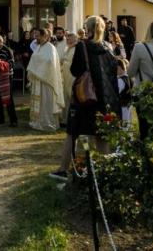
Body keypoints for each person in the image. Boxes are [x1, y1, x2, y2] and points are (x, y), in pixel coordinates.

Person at [51, 16, 120, 181]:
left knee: (72, 133)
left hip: (84, 97)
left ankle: (63, 169)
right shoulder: (108, 47)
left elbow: (75, 70)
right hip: (103, 98)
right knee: (101, 135)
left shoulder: (82, 45)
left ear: (87, 28)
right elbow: (112, 72)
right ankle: (104, 172)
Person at [27, 28, 65, 132]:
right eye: (35, 35)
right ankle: (38, 122)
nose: (36, 37)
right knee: (39, 102)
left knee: (46, 102)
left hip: (47, 80)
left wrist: (38, 66)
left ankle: (48, 123)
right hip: (38, 79)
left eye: (38, 35)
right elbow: (34, 59)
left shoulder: (50, 48)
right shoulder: (38, 47)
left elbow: (50, 62)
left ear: (45, 36)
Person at [57, 32, 79, 126]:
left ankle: (74, 120)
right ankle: (65, 120)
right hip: (65, 76)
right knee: (65, 97)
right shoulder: (67, 48)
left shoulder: (77, 49)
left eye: (70, 39)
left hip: (72, 77)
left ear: (74, 39)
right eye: (67, 39)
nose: (68, 41)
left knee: (72, 97)